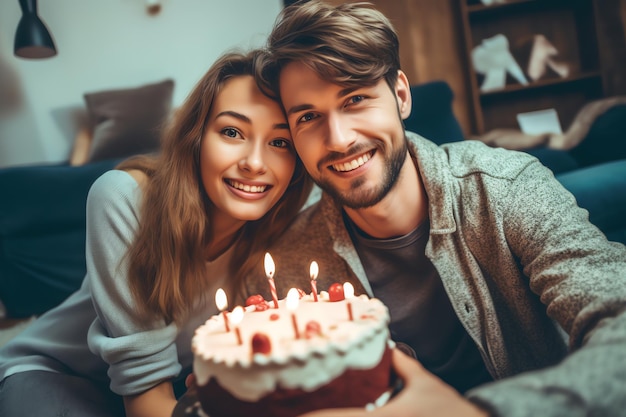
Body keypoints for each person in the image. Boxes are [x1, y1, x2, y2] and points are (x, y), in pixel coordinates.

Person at [243, 1, 626, 416]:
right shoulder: (290, 263)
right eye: (308, 117)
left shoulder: (506, 188)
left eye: (355, 99)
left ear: (401, 96)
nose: (338, 139)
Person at [0, 49, 312, 417]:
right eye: (232, 132)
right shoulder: (123, 197)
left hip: (175, 384)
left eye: (280, 142)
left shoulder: (284, 228)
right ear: (196, 137)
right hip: (59, 374)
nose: (255, 164)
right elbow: (146, 399)